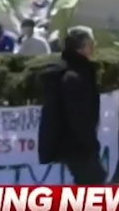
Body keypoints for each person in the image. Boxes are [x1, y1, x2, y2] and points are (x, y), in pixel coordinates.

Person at [37, 27, 107, 185]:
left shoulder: (74, 70)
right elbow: (79, 116)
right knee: (94, 181)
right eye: (91, 43)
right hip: (76, 145)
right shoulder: (74, 77)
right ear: (83, 46)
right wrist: (89, 145)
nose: (94, 46)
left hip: (71, 144)